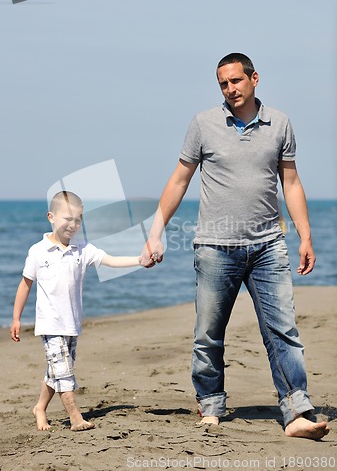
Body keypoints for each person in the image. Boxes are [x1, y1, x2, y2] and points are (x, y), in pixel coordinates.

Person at [140, 53, 330, 439]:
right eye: (223, 84)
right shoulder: (203, 124)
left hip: (268, 245)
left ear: (254, 78)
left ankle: (296, 411)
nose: (230, 89)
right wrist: (155, 231)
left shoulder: (280, 124)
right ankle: (210, 404)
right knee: (209, 332)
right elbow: (180, 180)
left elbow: (290, 183)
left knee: (282, 330)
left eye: (236, 81)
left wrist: (305, 236)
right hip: (215, 247)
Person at [10, 191, 142, 432]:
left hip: (72, 323)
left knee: (57, 371)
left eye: (78, 219)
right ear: (51, 217)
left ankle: (40, 407)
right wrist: (16, 318)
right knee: (63, 371)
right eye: (67, 218)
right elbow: (25, 284)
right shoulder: (38, 251)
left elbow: (110, 260)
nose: (72, 224)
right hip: (50, 324)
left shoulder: (83, 249)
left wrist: (139, 260)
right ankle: (75, 417)